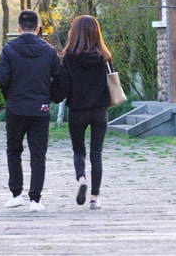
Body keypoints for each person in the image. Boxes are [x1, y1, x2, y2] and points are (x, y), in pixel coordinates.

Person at [0, 9, 61, 213]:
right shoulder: (49, 51)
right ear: (38, 28)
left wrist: (9, 96)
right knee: (38, 154)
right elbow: (59, 79)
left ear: (19, 28)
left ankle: (16, 195)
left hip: (16, 108)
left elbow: (2, 78)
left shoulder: (9, 49)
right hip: (40, 109)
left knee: (14, 150)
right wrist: (50, 97)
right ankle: (35, 199)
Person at [59, 15, 112, 210]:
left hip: (77, 111)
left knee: (78, 150)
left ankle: (81, 178)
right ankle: (94, 198)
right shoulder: (105, 58)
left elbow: (63, 88)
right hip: (99, 111)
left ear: (74, 33)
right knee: (96, 153)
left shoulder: (69, 59)